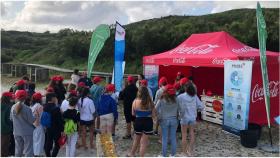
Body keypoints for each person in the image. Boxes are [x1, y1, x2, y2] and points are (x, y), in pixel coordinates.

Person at [177, 83, 204, 156]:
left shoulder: (181, 96)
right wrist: (197, 110)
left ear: (186, 89)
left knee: (184, 135)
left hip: (184, 118)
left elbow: (176, 105)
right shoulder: (195, 96)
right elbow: (201, 106)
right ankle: (190, 151)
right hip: (192, 118)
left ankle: (184, 152)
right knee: (192, 134)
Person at [128, 87, 155, 157]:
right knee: (144, 142)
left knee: (136, 139)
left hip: (138, 121)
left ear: (139, 92)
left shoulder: (135, 101)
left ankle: (132, 153)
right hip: (148, 122)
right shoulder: (150, 102)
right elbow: (153, 115)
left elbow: (133, 114)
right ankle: (141, 156)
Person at [155, 84, 179, 157]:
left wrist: (159, 116)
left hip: (164, 120)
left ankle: (164, 155)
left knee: (164, 138)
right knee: (173, 138)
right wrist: (179, 117)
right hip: (174, 119)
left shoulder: (161, 99)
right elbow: (182, 110)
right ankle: (173, 155)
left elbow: (155, 109)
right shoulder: (177, 99)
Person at [10, 90, 35, 157]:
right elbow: (31, 121)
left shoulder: (13, 107)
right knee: (28, 151)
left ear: (16, 97)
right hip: (27, 132)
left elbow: (11, 119)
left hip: (16, 132)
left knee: (18, 150)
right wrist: (35, 116)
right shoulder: (27, 108)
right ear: (25, 97)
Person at [43, 92, 64, 157]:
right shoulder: (56, 108)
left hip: (48, 127)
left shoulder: (44, 106)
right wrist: (62, 130)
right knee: (57, 144)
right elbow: (60, 120)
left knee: (48, 143)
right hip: (56, 129)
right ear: (52, 98)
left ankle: (48, 155)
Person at [30, 92, 45, 156]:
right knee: (39, 141)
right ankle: (37, 155)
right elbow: (42, 117)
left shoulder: (31, 106)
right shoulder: (39, 106)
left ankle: (34, 153)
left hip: (32, 125)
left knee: (34, 140)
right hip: (39, 125)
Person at [1, 92, 14, 157]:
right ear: (8, 98)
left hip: (1, 128)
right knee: (5, 146)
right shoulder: (8, 107)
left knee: (2, 145)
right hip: (7, 129)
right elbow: (10, 120)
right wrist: (10, 127)